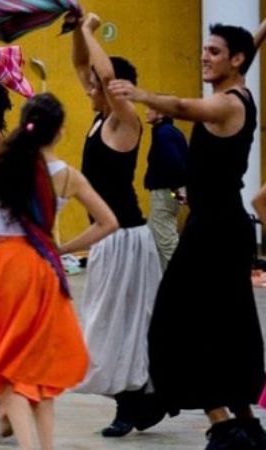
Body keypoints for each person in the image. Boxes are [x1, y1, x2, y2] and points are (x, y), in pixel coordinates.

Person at [110, 20, 266, 449]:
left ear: (235, 61)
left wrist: (141, 94)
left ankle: (221, 423)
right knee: (226, 324)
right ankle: (245, 423)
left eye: (214, 51)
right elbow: (248, 47)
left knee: (174, 324)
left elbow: (183, 106)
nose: (204, 56)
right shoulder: (239, 88)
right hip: (222, 226)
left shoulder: (228, 105)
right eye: (205, 50)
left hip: (215, 230)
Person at [0, 93, 117, 449]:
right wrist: (64, 247)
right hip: (42, 269)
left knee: (10, 365)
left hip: (3, 268)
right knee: (37, 365)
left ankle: (22, 436)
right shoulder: (67, 175)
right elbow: (108, 222)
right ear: (58, 133)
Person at [70, 12, 164, 437]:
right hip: (107, 240)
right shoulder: (96, 119)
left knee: (122, 323)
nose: (90, 87)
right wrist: (77, 30)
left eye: (98, 83)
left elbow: (105, 79)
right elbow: (80, 66)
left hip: (126, 236)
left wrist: (91, 30)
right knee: (107, 324)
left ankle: (135, 404)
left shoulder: (124, 122)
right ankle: (145, 400)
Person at [143, 107, 188, 268]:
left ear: (161, 114)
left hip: (166, 192)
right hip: (169, 192)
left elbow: (173, 163)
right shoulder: (171, 132)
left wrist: (177, 187)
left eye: (151, 109)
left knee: (166, 241)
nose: (146, 112)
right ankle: (162, 286)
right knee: (152, 241)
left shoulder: (163, 134)